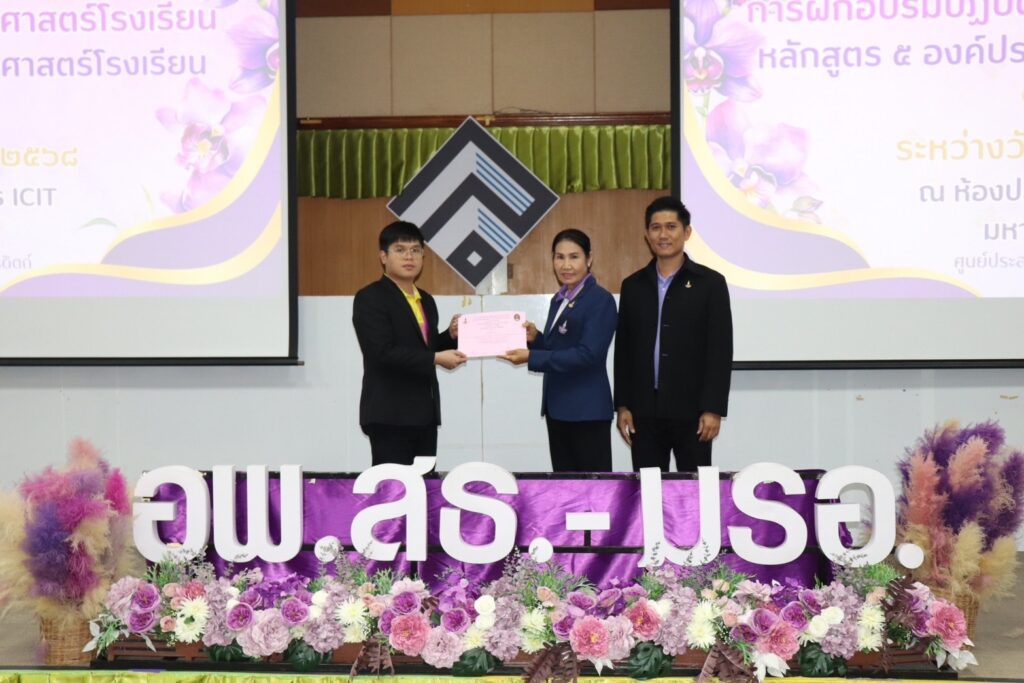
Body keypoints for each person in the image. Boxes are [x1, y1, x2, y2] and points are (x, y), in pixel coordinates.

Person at [614, 196, 733, 471]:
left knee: (694, 490)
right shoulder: (633, 286)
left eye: (671, 227)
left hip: (693, 412)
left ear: (686, 232)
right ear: (647, 235)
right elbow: (624, 351)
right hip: (643, 411)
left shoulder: (711, 284)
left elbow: (720, 350)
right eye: (656, 228)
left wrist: (713, 408)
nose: (663, 235)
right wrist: (623, 406)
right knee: (648, 489)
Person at [503, 229, 618, 472]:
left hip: (586, 411)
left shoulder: (600, 300)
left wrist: (532, 357)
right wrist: (536, 339)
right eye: (559, 257)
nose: (566, 265)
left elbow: (588, 355)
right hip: (558, 410)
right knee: (564, 486)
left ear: (589, 259)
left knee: (592, 488)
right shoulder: (560, 299)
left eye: (574, 257)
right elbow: (559, 348)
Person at [353, 221, 467, 465]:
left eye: (415, 250)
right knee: (394, 486)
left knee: (425, 485)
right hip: (389, 415)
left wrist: (450, 335)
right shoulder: (370, 297)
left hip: (424, 414)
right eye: (400, 250)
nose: (409, 257)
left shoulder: (425, 299)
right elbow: (381, 353)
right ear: (383, 257)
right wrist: (436, 358)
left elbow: (425, 347)